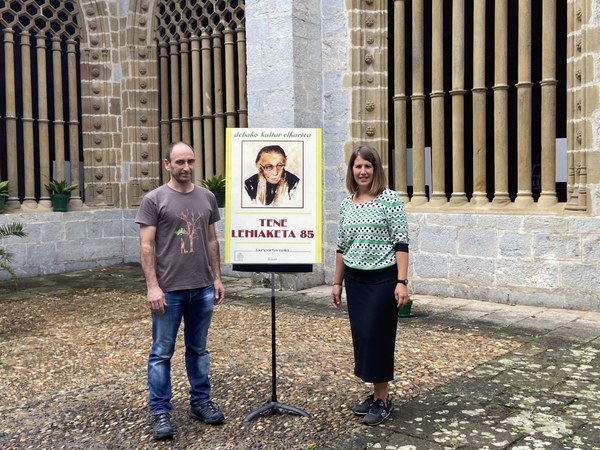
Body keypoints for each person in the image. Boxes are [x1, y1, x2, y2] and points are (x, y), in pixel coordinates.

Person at [135, 141, 226, 440]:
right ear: (167, 165)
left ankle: (200, 402)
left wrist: (217, 278)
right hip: (169, 291)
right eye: (179, 162)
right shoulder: (154, 199)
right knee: (161, 353)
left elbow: (211, 241)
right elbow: (146, 246)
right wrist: (152, 287)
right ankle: (160, 411)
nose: (186, 167)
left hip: (201, 288)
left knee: (198, 350)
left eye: (190, 161)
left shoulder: (207, 197)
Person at [330, 144, 409, 426]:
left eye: (367, 166)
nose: (362, 171)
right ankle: (374, 393)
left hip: (383, 278)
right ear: (351, 170)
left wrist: (402, 281)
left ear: (376, 169)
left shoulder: (390, 199)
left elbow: (401, 241)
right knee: (363, 336)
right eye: (357, 166)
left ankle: (383, 399)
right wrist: (337, 283)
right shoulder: (346, 203)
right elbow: (341, 246)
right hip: (355, 279)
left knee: (378, 336)